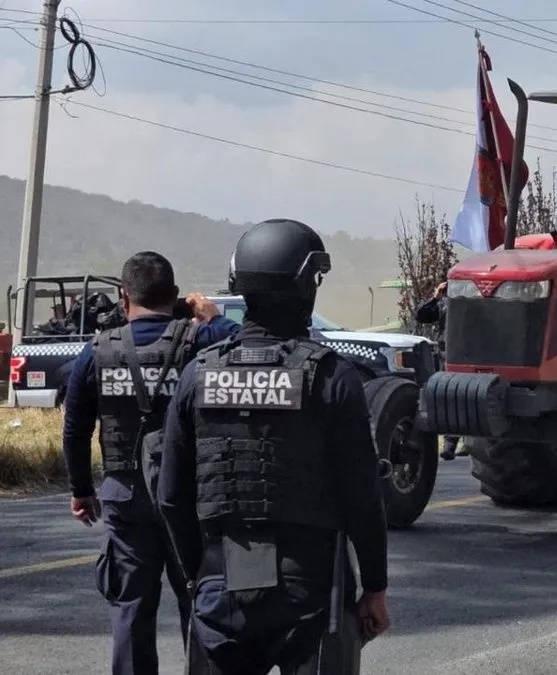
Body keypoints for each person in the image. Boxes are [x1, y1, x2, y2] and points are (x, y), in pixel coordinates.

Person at [157, 218, 391, 674]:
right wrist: (376, 588)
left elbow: (171, 496)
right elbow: (363, 497)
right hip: (310, 587)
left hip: (219, 580)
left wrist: (197, 576)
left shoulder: (198, 375)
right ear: (307, 287)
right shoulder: (331, 377)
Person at [62, 251, 240, 675]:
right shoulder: (199, 340)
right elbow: (245, 345)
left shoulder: (97, 351)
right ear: (175, 296)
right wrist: (212, 317)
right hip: (189, 497)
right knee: (200, 602)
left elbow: (75, 430)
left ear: (124, 298)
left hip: (125, 496)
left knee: (131, 608)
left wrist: (81, 490)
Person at [414, 280, 463, 460]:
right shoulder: (445, 303)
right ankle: (450, 444)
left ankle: (459, 443)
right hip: (448, 356)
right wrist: (435, 298)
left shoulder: (476, 302)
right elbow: (421, 315)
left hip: (468, 357)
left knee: (463, 398)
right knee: (449, 398)